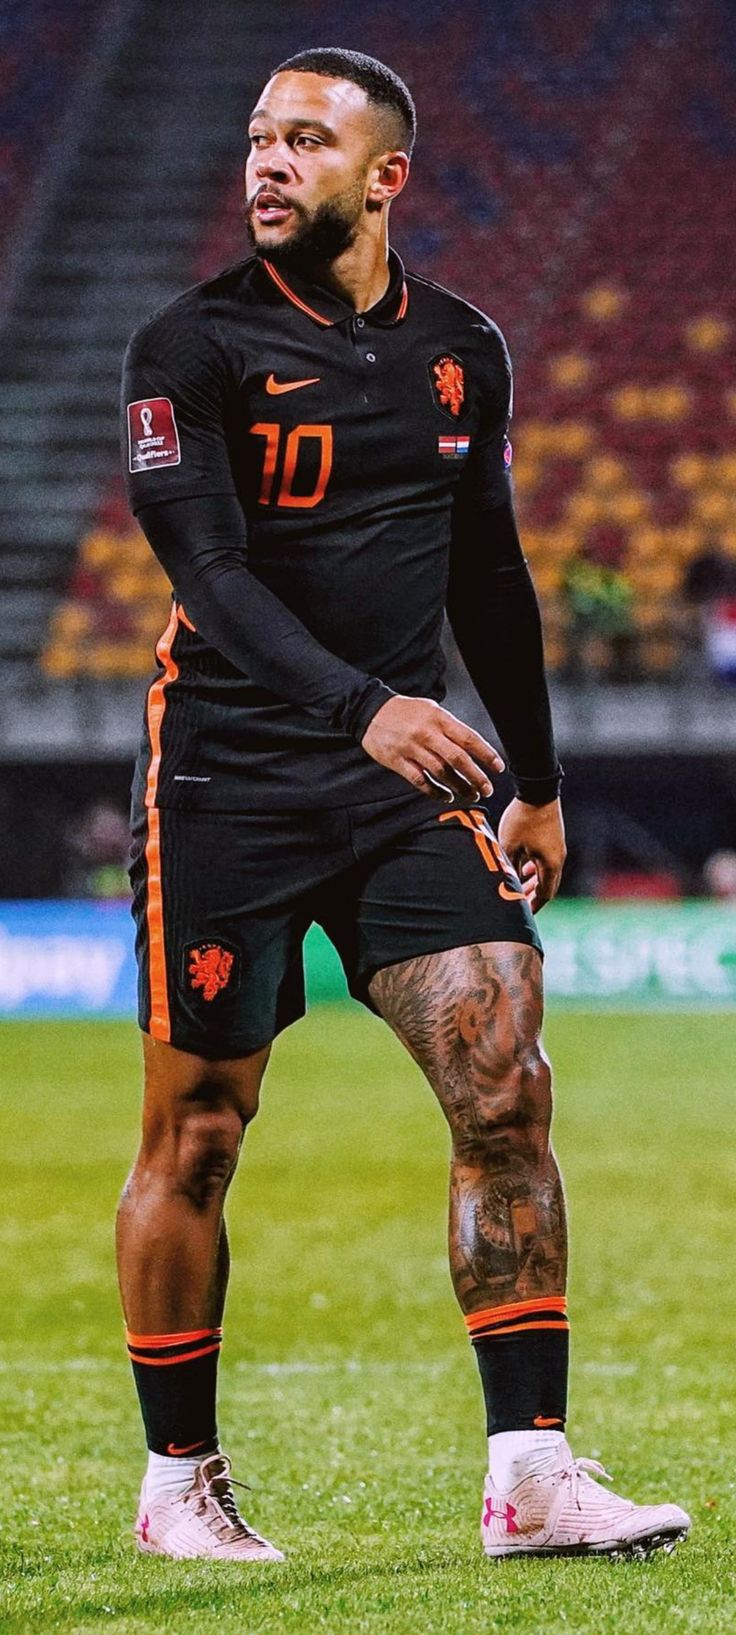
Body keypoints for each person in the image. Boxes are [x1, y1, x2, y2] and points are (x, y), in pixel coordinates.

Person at [118, 47, 690, 1563]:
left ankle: (532, 1473)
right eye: (255, 137)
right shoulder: (189, 348)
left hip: (405, 782)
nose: (267, 161)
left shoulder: (460, 349)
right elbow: (211, 581)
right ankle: (178, 1483)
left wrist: (545, 783)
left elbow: (488, 568)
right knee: (200, 1132)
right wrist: (366, 707)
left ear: (387, 176)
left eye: (305, 138)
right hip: (229, 777)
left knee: (506, 1082)